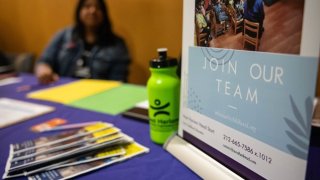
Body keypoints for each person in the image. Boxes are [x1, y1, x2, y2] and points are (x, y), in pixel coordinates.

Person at [35, 0, 130, 84]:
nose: (92, 11)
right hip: (63, 90)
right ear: (79, 11)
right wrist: (43, 68)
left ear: (104, 13)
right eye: (87, 6)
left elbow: (118, 81)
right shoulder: (64, 35)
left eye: (98, 7)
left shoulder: (117, 45)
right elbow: (44, 60)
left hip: (97, 96)